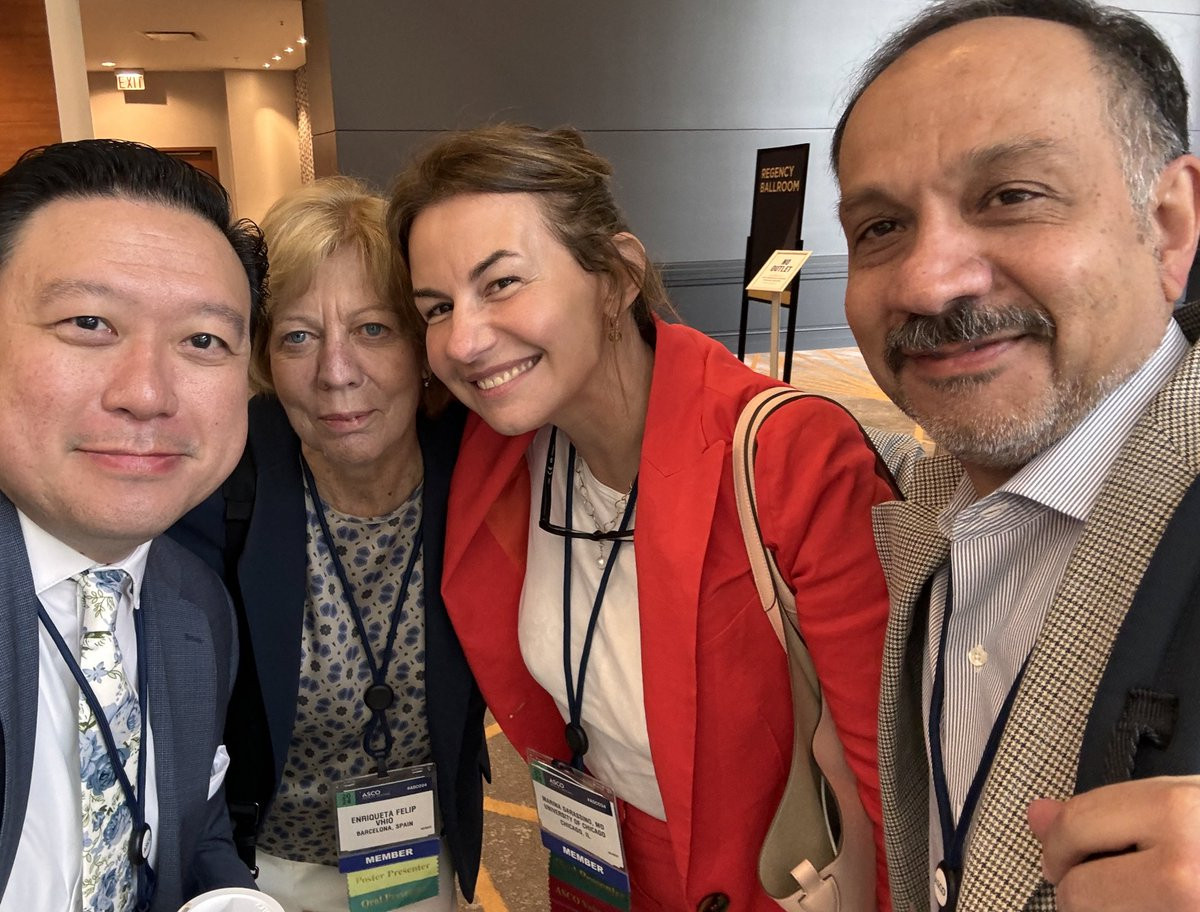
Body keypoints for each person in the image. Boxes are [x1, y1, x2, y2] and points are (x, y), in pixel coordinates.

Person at [387, 124, 896, 910]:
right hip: (602, 870)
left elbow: (890, 777)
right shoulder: (500, 455)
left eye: (503, 283)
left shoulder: (788, 458)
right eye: (437, 308)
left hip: (775, 883)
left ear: (617, 276)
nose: (463, 339)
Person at [832, 1, 1200, 909]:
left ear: (1168, 224)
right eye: (880, 228)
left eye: (1011, 197)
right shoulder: (924, 510)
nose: (929, 281)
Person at [169, 176, 486, 912]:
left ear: (422, 347)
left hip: (417, 856)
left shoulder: (483, 471)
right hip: (262, 868)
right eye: (298, 337)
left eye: (373, 329)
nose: (335, 373)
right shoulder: (220, 489)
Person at [0, 139, 266, 910]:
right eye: (89, 322)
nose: (147, 393)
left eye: (204, 340)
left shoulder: (196, 603)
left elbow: (190, 817)